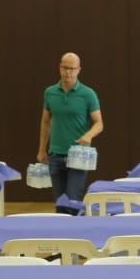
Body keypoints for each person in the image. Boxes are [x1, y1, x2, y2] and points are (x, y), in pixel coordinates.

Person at [37, 52, 104, 214]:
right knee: (60, 204)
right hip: (55, 154)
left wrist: (88, 135)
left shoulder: (88, 94)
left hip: (79, 155)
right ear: (60, 68)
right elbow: (46, 122)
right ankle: (63, 238)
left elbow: (99, 123)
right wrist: (41, 150)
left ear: (79, 70)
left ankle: (79, 235)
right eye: (65, 68)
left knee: (72, 200)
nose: (68, 72)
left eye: (72, 69)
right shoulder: (50, 92)